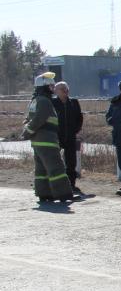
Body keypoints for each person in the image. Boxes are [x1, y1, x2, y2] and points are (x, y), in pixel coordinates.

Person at [22, 72, 73, 202]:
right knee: (56, 167)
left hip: (38, 141)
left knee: (41, 169)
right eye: (50, 86)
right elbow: (39, 119)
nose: (52, 89)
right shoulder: (45, 101)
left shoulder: (35, 100)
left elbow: (28, 119)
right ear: (44, 86)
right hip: (47, 141)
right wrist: (27, 132)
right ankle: (64, 194)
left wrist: (27, 132)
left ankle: (44, 193)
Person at [52, 81, 84, 193]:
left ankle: (72, 184)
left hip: (70, 136)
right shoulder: (52, 103)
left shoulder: (74, 102)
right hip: (57, 136)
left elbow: (80, 117)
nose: (65, 91)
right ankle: (56, 185)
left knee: (71, 162)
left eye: (66, 89)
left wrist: (77, 129)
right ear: (56, 91)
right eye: (62, 89)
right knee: (55, 161)